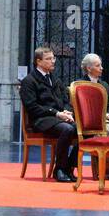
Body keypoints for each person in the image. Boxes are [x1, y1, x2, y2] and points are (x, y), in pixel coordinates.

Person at [18, 46, 77, 183]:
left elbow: (66, 99)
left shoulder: (55, 79)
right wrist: (57, 113)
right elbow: (33, 107)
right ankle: (59, 169)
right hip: (41, 120)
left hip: (58, 118)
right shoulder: (29, 81)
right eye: (49, 59)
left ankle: (69, 166)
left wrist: (67, 111)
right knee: (67, 129)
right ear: (38, 61)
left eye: (53, 58)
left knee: (84, 130)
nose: (53, 61)